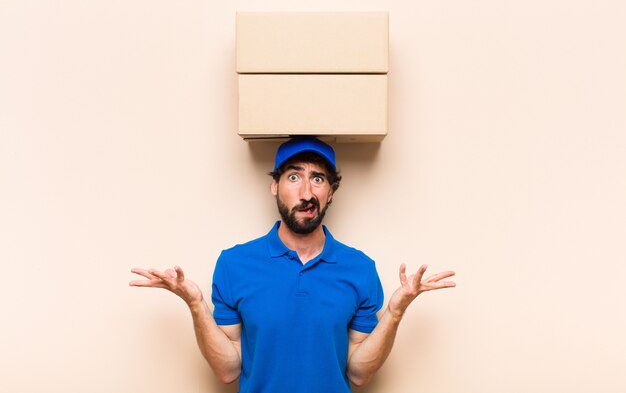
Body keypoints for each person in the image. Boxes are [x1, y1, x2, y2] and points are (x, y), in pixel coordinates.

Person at [130, 136, 455, 393]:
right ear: (275, 186)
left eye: (318, 179)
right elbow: (227, 370)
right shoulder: (234, 264)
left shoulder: (360, 268)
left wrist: (395, 312)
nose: (306, 191)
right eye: (294, 176)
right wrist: (195, 303)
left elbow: (358, 374)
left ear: (331, 193)